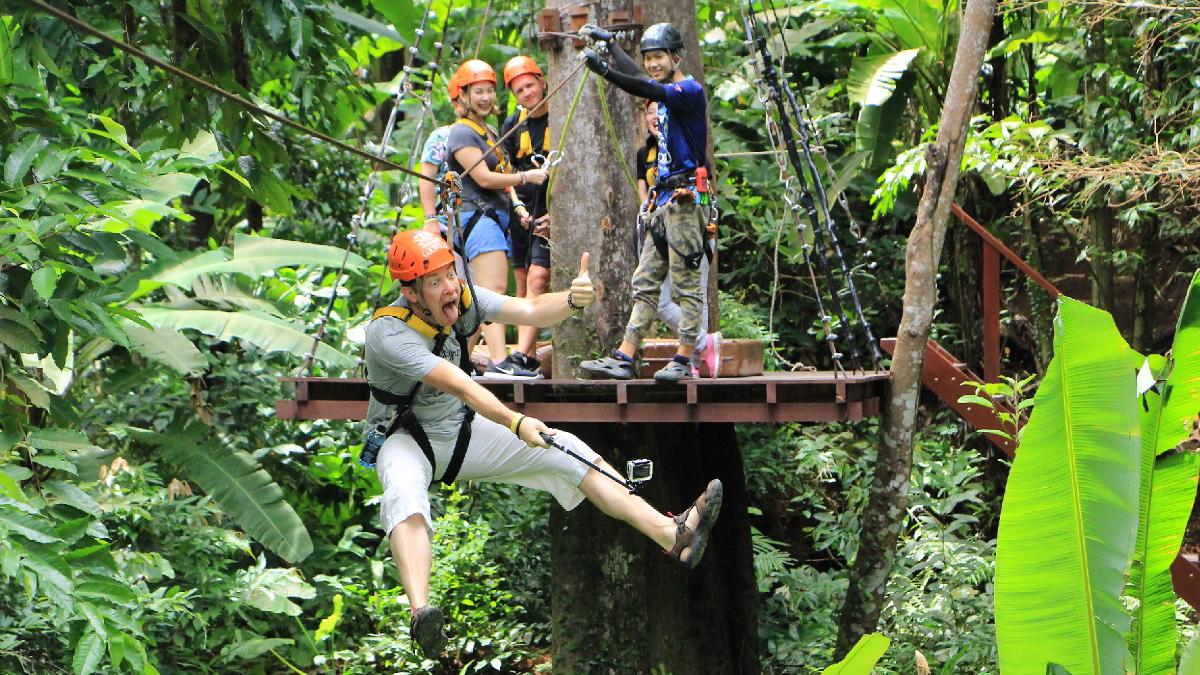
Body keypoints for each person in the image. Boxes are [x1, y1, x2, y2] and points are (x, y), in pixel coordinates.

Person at [363, 229, 725, 657]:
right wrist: (516, 422)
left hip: (459, 432)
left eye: (450, 274)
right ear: (412, 292)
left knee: (564, 448)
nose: (449, 287)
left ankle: (672, 534)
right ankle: (422, 613)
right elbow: (459, 383)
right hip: (406, 438)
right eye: (435, 281)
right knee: (404, 491)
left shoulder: (463, 299)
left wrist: (572, 300)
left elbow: (532, 308)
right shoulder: (388, 332)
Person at [579, 23, 716, 382]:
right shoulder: (667, 89)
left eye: (659, 57)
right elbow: (642, 76)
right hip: (663, 200)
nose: (654, 64)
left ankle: (686, 358)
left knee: (686, 283)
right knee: (646, 279)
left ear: (675, 57)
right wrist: (612, 47)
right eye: (650, 58)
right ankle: (625, 355)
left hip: (687, 199)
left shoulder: (689, 90)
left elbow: (645, 84)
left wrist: (606, 71)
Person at [445, 59, 545, 379]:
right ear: (463, 96)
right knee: (494, 290)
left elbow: (503, 173)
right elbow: (486, 178)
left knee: (478, 296)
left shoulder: (487, 130)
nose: (486, 98)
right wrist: (527, 177)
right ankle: (500, 361)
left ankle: (461, 358)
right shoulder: (461, 132)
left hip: (492, 216)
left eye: (489, 91)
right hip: (477, 217)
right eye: (478, 92)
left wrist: (517, 207)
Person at [635, 99, 722, 379]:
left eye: (659, 112)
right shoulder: (645, 154)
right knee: (658, 298)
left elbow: (706, 191)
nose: (655, 117)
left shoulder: (689, 150)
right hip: (660, 225)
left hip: (692, 221)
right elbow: (643, 193)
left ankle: (692, 360)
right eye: (650, 112)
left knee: (693, 292)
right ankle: (700, 342)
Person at [499, 55, 553, 377]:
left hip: (548, 212)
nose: (527, 93)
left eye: (530, 85)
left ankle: (518, 354)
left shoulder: (556, 119)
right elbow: (504, 173)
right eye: (519, 90)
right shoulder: (512, 125)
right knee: (521, 287)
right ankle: (528, 358)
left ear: (542, 80)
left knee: (538, 279)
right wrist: (517, 207)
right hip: (521, 212)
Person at [418, 72, 465, 238]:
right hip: (447, 223)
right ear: (455, 103)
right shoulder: (440, 137)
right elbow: (426, 178)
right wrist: (430, 219)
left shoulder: (488, 136)